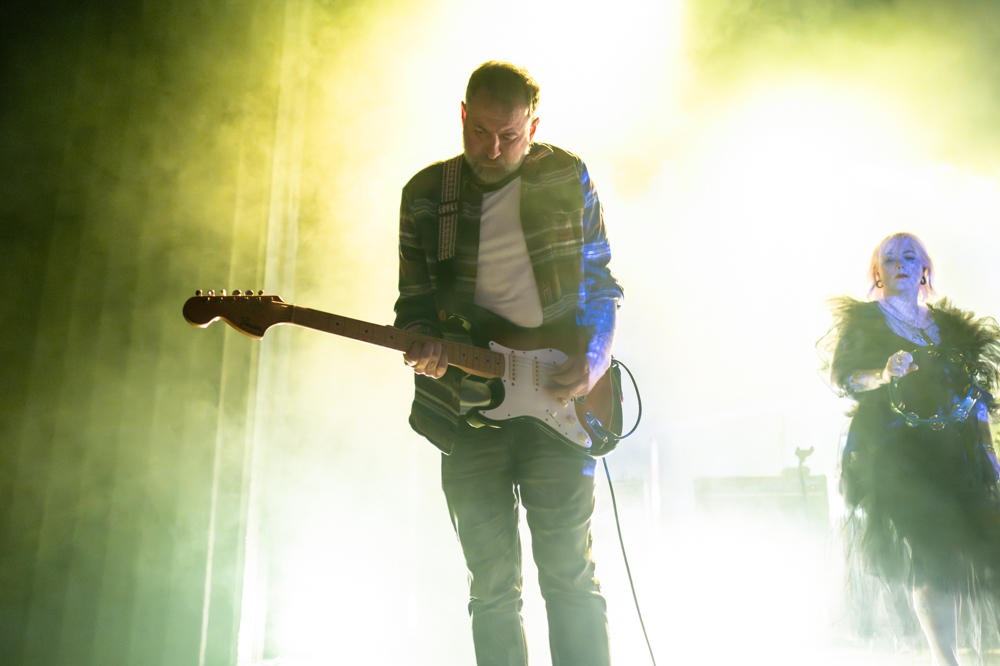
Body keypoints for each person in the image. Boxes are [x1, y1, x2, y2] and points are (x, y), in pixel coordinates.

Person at [392, 62, 623, 666]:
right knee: (492, 590)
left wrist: (595, 358)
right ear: (462, 115)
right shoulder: (426, 195)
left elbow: (600, 283)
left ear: (534, 127)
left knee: (570, 578)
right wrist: (424, 346)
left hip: (560, 400)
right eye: (479, 132)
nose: (492, 150)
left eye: (509, 136)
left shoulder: (567, 176)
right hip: (467, 412)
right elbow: (414, 306)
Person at [823, 232, 1000, 665]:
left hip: (955, 454)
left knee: (961, 553)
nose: (900, 264)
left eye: (909, 257)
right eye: (890, 259)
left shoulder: (951, 327)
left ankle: (949, 656)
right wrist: (882, 374)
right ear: (877, 273)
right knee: (931, 549)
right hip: (897, 454)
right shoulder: (865, 320)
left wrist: (988, 452)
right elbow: (842, 379)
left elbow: (975, 394)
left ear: (924, 270)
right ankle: (946, 659)